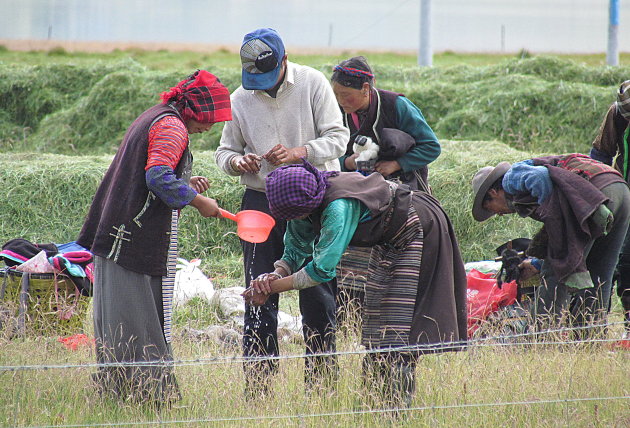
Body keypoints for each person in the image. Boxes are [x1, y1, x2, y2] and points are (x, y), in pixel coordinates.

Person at [244, 159, 467, 408]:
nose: (296, 219)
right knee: (376, 317)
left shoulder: (337, 207)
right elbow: (295, 247)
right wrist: (275, 274)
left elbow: (320, 270)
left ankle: (395, 408)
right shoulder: (303, 200)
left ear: (309, 204)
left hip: (416, 226)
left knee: (398, 323)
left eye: (298, 215)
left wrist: (271, 288)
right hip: (388, 237)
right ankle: (373, 402)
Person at [77, 70, 231, 405]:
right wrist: (199, 201)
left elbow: (150, 175)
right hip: (129, 238)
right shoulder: (172, 126)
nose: (209, 128)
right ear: (195, 111)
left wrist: (185, 186)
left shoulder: (157, 117)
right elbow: (157, 176)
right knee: (135, 320)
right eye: (210, 120)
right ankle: (144, 398)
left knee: (123, 319)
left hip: (120, 232)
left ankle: (122, 395)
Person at [214, 28, 349, 395]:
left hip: (313, 197)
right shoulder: (240, 98)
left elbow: (339, 138)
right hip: (261, 203)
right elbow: (224, 152)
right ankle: (258, 388)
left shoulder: (313, 83)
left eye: (266, 77)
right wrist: (238, 162)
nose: (260, 86)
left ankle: (321, 387)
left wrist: (298, 152)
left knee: (318, 296)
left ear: (284, 60)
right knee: (258, 292)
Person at [329, 56, 441, 325]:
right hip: (358, 195)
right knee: (353, 256)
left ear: (366, 88)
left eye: (346, 95)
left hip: (404, 196)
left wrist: (395, 164)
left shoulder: (397, 106)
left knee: (395, 257)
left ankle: (395, 312)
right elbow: (333, 152)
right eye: (336, 94)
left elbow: (431, 147)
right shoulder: (336, 113)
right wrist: (348, 162)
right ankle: (352, 316)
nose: (341, 100)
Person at [471, 153, 630, 338]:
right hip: (620, 192)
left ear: (493, 193)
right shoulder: (524, 193)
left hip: (596, 195)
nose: (498, 215)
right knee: (600, 273)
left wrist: (556, 232)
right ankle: (589, 339)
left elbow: (540, 180)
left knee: (557, 270)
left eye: (491, 209)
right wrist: (537, 262)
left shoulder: (511, 179)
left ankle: (541, 339)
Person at [590, 80, 630, 339]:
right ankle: (595, 327)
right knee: (618, 262)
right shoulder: (617, 114)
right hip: (624, 196)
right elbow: (600, 154)